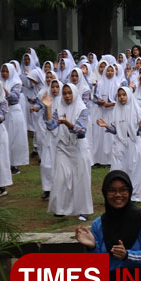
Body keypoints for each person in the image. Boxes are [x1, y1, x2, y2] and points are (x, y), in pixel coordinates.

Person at [42, 83, 93, 221]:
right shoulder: (60, 107)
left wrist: (67, 123)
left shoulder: (82, 109)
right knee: (61, 177)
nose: (67, 96)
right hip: (63, 146)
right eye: (64, 93)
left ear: (75, 93)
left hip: (79, 147)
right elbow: (52, 125)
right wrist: (48, 107)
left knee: (81, 178)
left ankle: (83, 210)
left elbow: (81, 130)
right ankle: (60, 208)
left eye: (69, 93)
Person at [97, 86, 141, 203]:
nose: (122, 97)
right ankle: (118, 193)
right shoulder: (116, 110)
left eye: (124, 95)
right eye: (119, 95)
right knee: (119, 168)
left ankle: (134, 196)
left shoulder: (137, 110)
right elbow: (116, 129)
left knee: (134, 169)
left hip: (133, 142)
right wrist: (107, 125)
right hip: (119, 142)